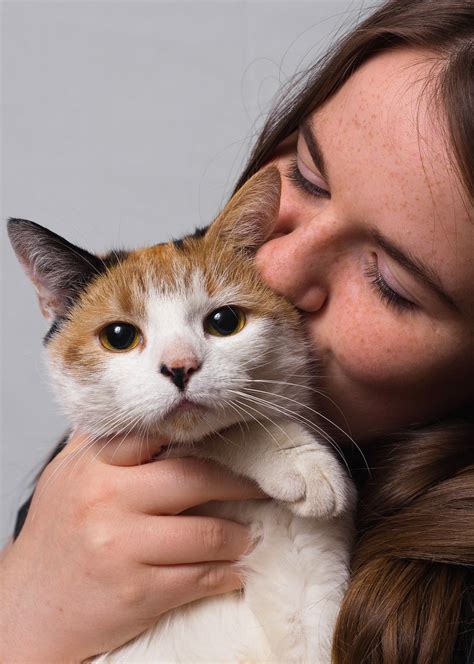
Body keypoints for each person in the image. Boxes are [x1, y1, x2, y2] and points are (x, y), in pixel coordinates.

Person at [1, 0, 472, 661]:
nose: (274, 267)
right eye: (305, 177)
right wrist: (21, 606)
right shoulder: (96, 476)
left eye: (389, 281)